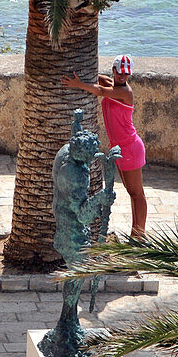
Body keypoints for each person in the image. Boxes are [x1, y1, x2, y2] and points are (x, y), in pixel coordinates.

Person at [61, 54, 147, 239]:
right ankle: (137, 234)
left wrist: (78, 84)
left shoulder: (125, 92)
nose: (123, 76)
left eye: (126, 74)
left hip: (130, 147)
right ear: (114, 70)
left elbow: (100, 90)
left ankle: (139, 235)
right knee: (131, 192)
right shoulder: (114, 85)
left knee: (137, 193)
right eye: (120, 72)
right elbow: (101, 80)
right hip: (121, 148)